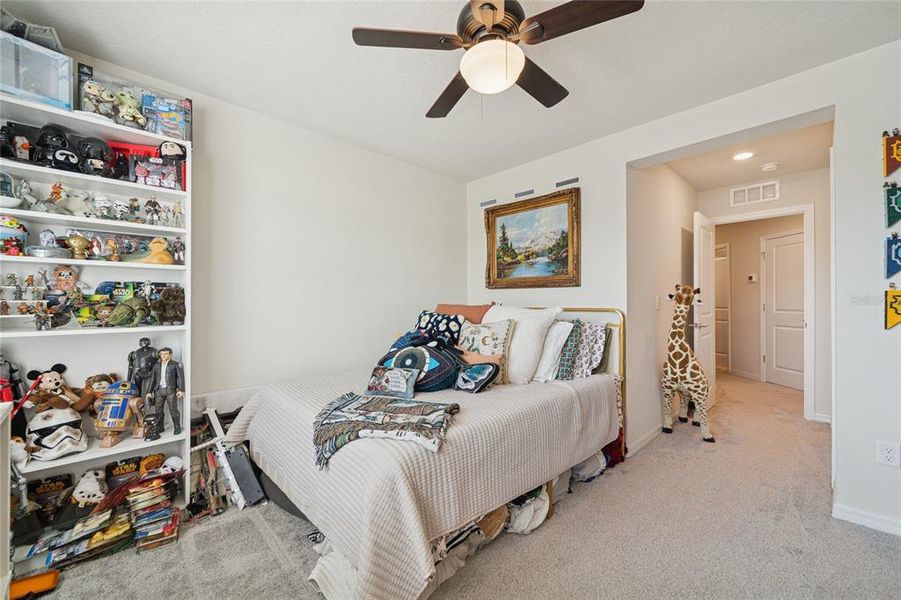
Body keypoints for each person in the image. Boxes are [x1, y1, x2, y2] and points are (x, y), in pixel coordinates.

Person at [145, 347, 184, 438]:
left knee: (173, 409)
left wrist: (181, 390)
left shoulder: (175, 364)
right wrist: (149, 391)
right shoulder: (156, 366)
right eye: (161, 354)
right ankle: (160, 427)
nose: (163, 356)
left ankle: (177, 427)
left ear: (170, 355)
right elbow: (152, 379)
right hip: (158, 390)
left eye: (165, 354)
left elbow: (180, 378)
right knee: (158, 410)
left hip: (170, 389)